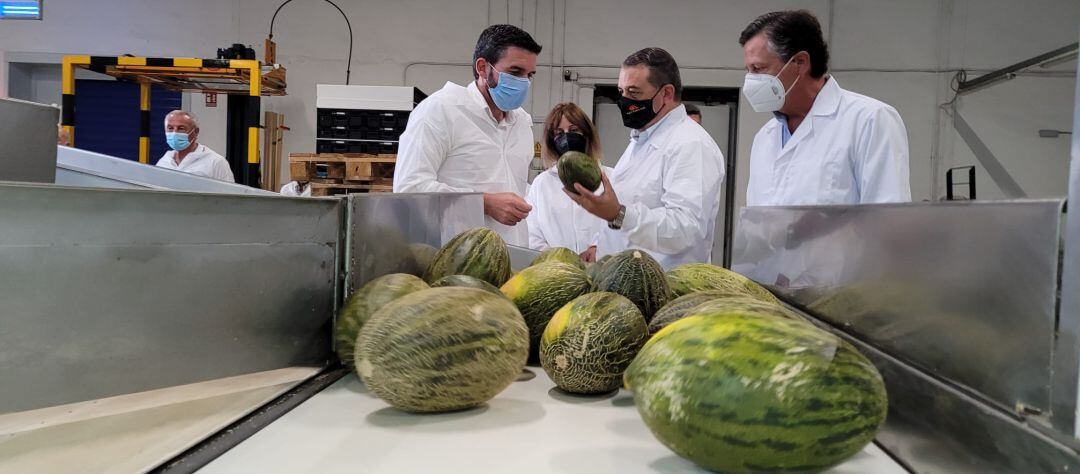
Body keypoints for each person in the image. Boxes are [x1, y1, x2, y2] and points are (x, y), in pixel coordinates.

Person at [566, 48, 725, 269]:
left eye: (634, 92)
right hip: (625, 280)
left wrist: (618, 214)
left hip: (663, 288)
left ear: (667, 94)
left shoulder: (691, 144)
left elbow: (685, 229)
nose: (624, 101)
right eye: (621, 91)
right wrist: (599, 244)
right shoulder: (640, 140)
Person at [740, 10, 910, 205]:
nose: (751, 80)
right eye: (748, 71)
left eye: (758, 69)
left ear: (800, 63)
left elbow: (887, 219)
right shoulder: (765, 137)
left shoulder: (870, 120)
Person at [393, 24, 542, 247]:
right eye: (515, 72)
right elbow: (409, 187)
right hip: (453, 259)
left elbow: (510, 183)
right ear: (483, 67)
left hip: (510, 258)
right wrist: (484, 203)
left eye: (530, 75)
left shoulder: (521, 123)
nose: (524, 83)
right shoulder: (441, 111)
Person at [525, 103, 612, 253]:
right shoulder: (542, 184)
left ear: (587, 134)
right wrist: (558, 262)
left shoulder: (610, 178)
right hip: (555, 271)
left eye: (574, 130)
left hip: (603, 268)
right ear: (552, 141)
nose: (566, 137)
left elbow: (621, 224)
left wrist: (598, 247)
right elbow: (532, 235)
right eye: (559, 133)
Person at [155, 110, 234, 182]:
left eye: (181, 128)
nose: (174, 133)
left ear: (196, 132)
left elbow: (230, 194)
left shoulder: (216, 162)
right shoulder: (164, 161)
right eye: (170, 128)